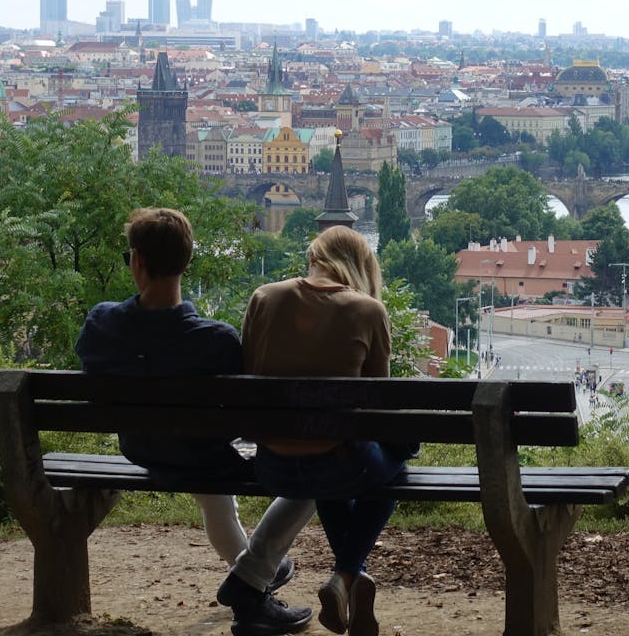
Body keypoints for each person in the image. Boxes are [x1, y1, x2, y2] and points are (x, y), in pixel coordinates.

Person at [75, 208, 294, 588]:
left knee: (211, 486)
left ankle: (257, 574)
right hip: (200, 453)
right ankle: (256, 573)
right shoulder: (217, 340)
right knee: (211, 476)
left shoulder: (101, 323)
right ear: (187, 261)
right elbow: (242, 413)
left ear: (137, 261)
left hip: (140, 446)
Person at [217, 226, 411, 636]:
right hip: (338, 467)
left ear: (313, 257)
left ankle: (346, 579)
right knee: (390, 470)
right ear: (360, 268)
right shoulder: (367, 311)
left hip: (273, 466)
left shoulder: (264, 297)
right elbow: (381, 408)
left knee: (327, 463)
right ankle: (345, 576)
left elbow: (249, 378)